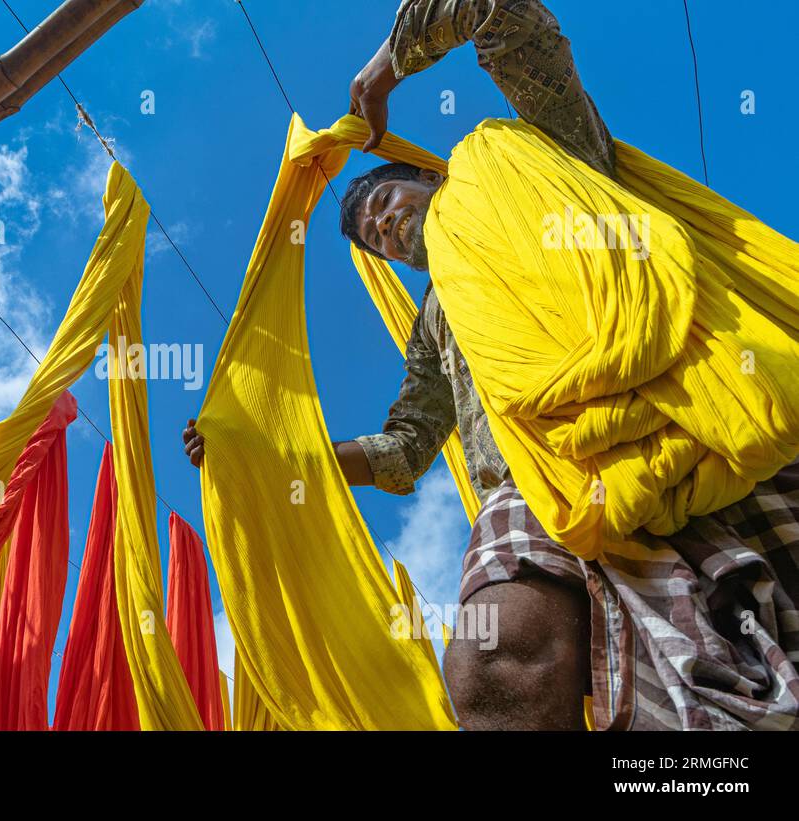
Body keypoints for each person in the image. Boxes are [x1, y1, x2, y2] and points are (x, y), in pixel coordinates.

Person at [184, 0, 799, 730]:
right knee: (493, 663)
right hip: (539, 485)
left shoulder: (549, 159)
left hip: (702, 420)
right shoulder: (440, 321)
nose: (380, 224)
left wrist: (384, 70)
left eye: (382, 197)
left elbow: (502, 11)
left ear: (426, 175)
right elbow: (406, 448)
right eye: (371, 238)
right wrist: (267, 454)